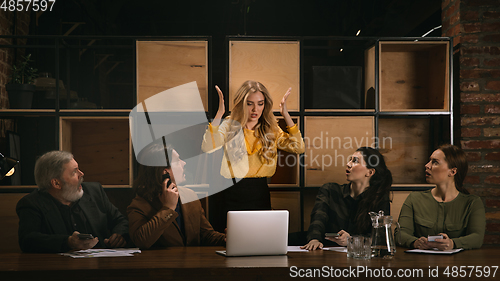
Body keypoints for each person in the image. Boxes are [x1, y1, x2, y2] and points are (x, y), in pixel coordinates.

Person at [201, 81, 305, 227]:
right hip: (231, 194)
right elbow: (207, 147)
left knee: (260, 242)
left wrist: (285, 114)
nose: (255, 109)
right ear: (242, 104)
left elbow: (298, 148)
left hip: (260, 193)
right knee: (232, 243)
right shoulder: (230, 124)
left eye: (260, 103)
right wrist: (219, 114)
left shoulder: (270, 128)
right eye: (249, 104)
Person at [16, 151, 129, 253]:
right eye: (74, 172)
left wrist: (118, 235)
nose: (82, 174)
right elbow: (28, 240)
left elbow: (120, 221)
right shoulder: (32, 204)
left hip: (102, 265)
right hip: (59, 270)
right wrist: (68, 242)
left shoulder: (94, 191)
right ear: (56, 183)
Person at [127, 141, 225, 249]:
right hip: (162, 264)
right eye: (177, 161)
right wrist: (168, 209)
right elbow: (141, 241)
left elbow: (206, 235)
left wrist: (225, 239)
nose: (184, 163)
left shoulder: (189, 196)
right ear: (165, 172)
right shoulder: (139, 205)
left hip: (192, 263)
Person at [395, 144, 485, 250]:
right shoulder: (414, 199)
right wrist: (415, 242)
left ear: (452, 171)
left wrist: (452, 243)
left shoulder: (472, 203)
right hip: (421, 263)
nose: (427, 165)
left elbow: (477, 238)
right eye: (430, 161)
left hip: (459, 264)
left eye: (435, 162)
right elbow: (400, 234)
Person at [302, 147, 392, 250]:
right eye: (350, 159)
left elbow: (380, 237)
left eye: (355, 161)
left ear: (370, 172)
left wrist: (351, 240)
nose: (348, 164)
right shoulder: (330, 191)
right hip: (326, 255)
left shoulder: (379, 199)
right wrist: (314, 239)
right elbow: (318, 219)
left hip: (360, 260)